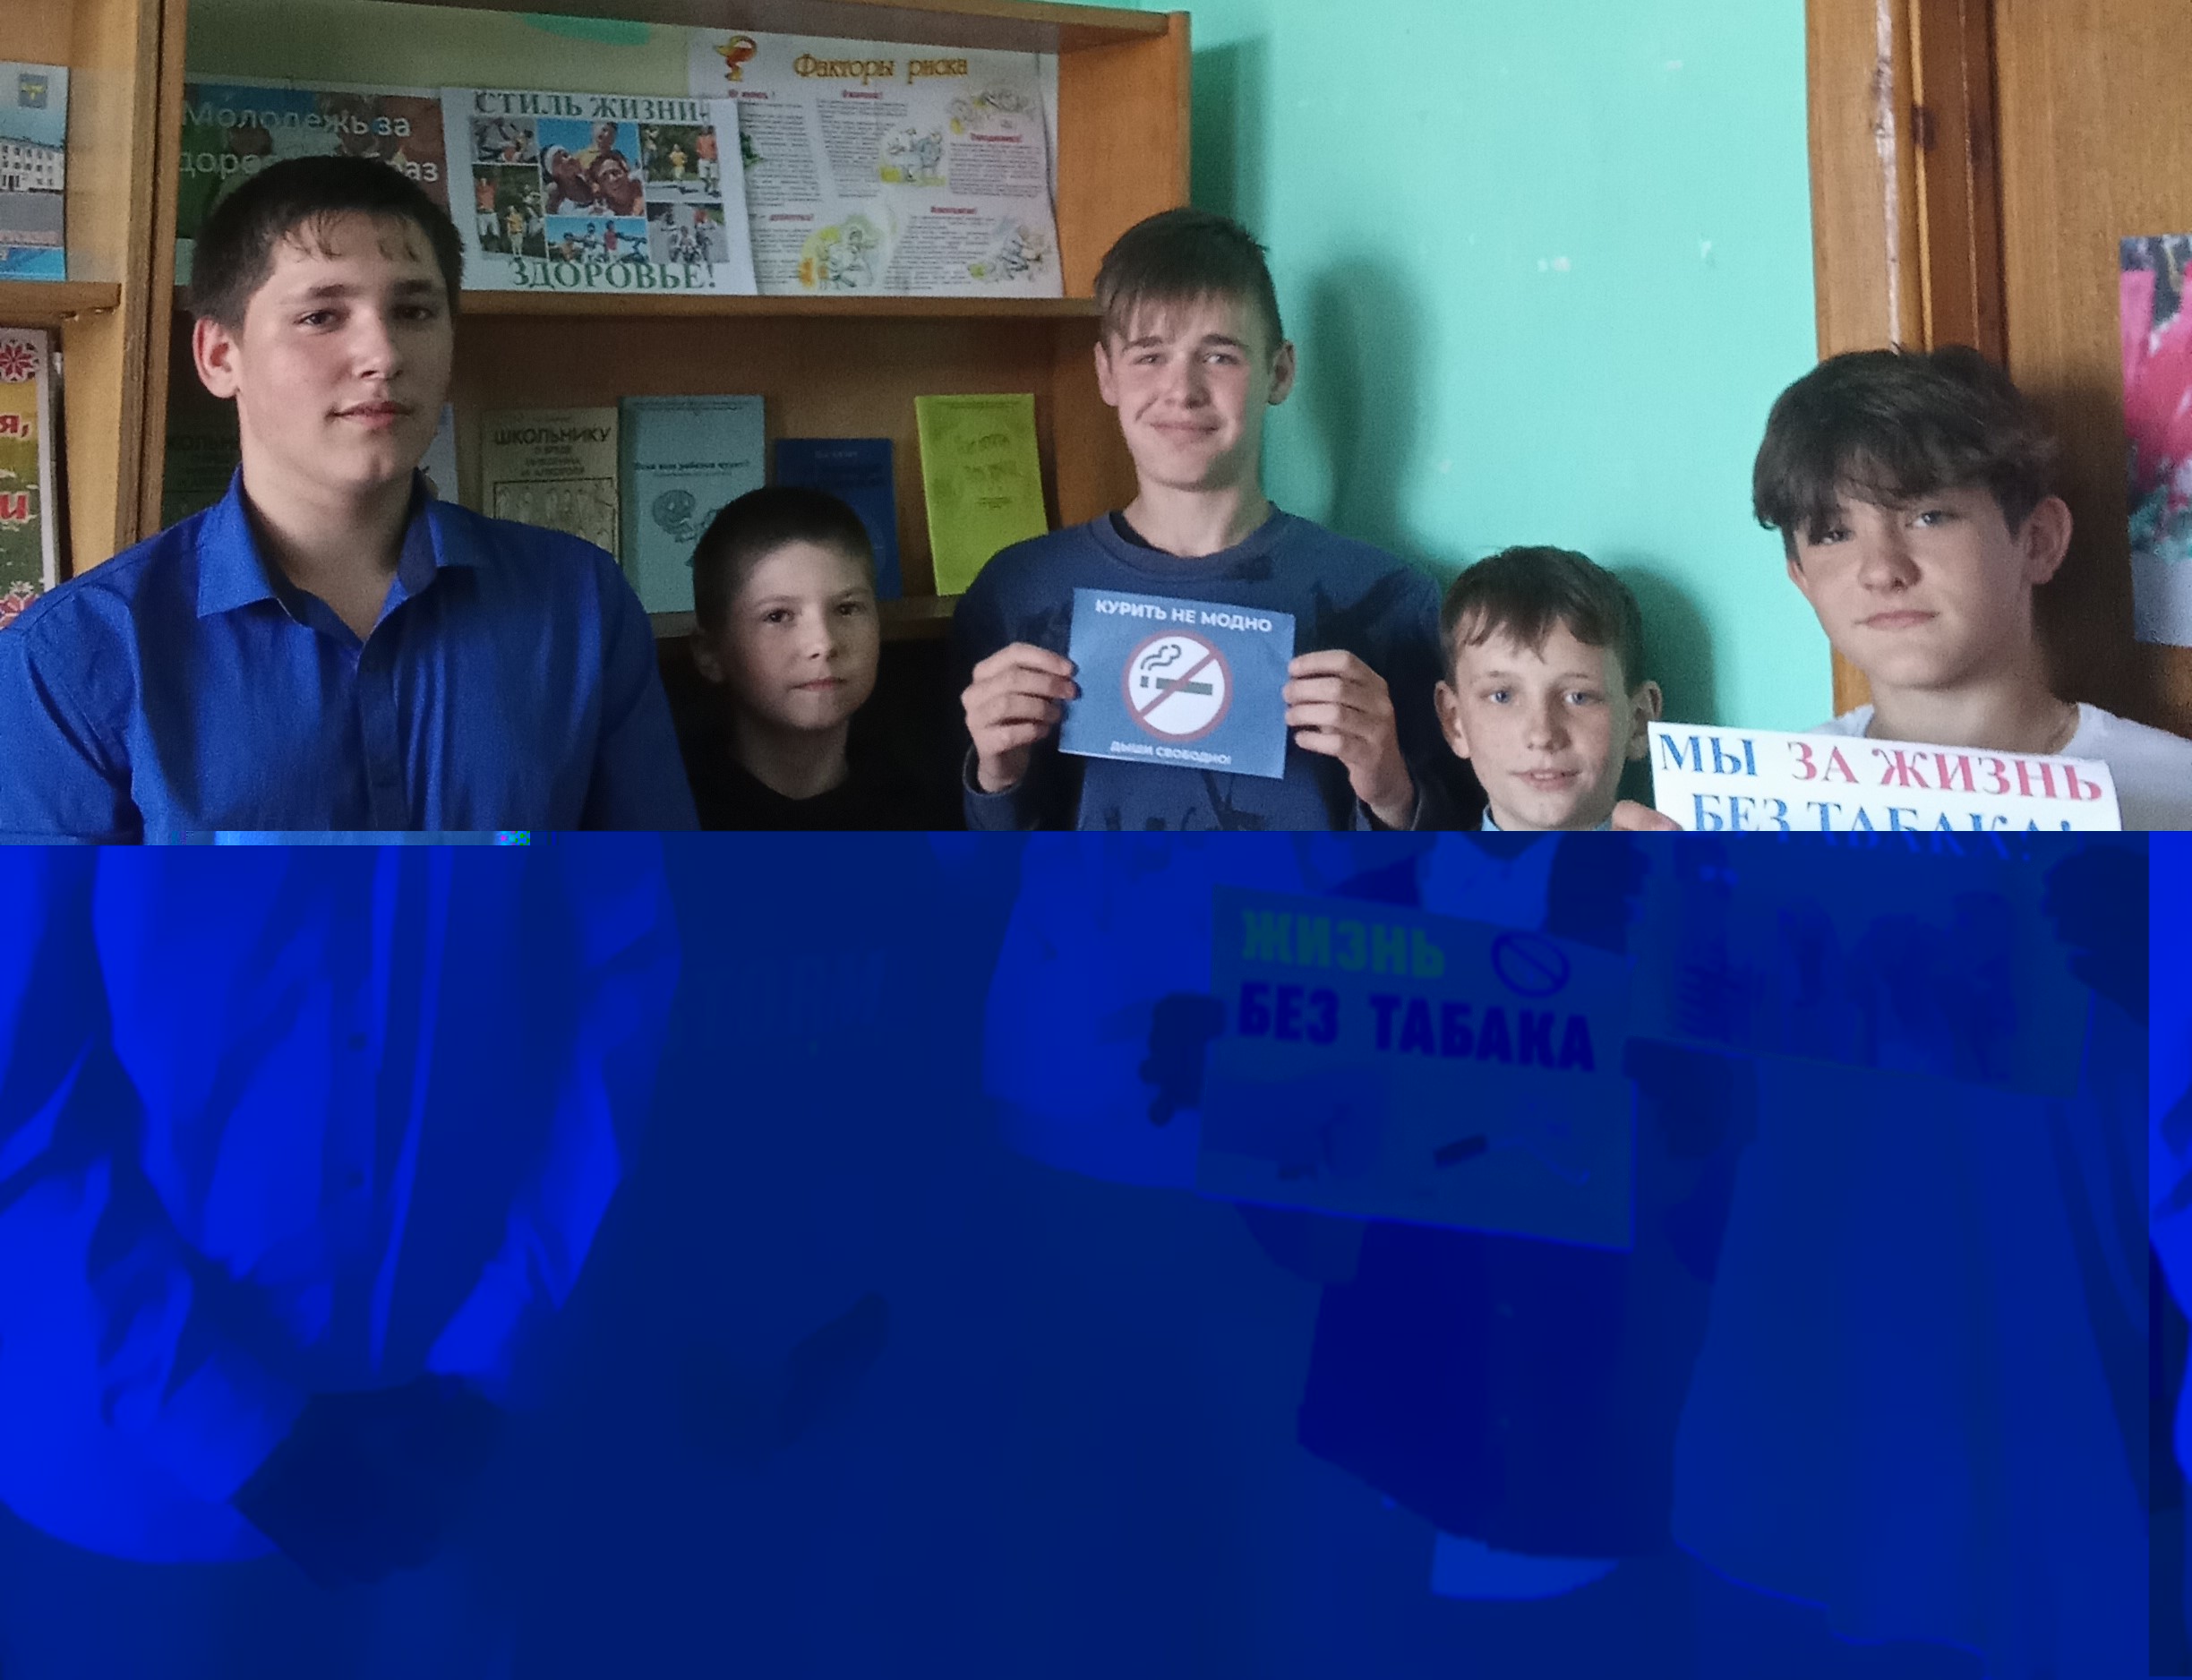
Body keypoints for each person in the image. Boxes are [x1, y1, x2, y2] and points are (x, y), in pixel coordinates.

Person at [0, 841, 679, 1677]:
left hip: (458, 1452)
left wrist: (504, 1332)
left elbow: (619, 959)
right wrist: (225, 1425)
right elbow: (16, 1115)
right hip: (124, 1498)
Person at [0, 155, 695, 839]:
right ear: (219, 356)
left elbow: (650, 895)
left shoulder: (579, 602)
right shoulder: (74, 652)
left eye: (414, 310)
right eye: (321, 316)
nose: (383, 355)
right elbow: (54, 919)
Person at [955, 208, 1479, 831]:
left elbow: (1461, 859)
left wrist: (1391, 789)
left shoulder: (1389, 599)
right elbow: (951, 865)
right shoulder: (1017, 592)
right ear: (1106, 374)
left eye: (1220, 356)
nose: (1182, 390)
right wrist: (996, 779)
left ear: (1279, 372)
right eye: (1150, 356)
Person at [1619, 346, 2192, 830]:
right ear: (1802, 577)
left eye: (1929, 517)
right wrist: (1675, 917)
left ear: (2037, 540)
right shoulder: (1767, 814)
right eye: (1834, 533)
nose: (1881, 570)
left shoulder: (2172, 794)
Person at [682, 484, 955, 828]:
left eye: (846, 608)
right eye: (778, 616)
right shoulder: (669, 812)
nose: (823, 644)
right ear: (709, 653)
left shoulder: (919, 811)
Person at [1431, 546, 1663, 831]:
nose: (1542, 735)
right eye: (1502, 696)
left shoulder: (1694, 857)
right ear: (1455, 721)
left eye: (1579, 697)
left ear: (1639, 722)